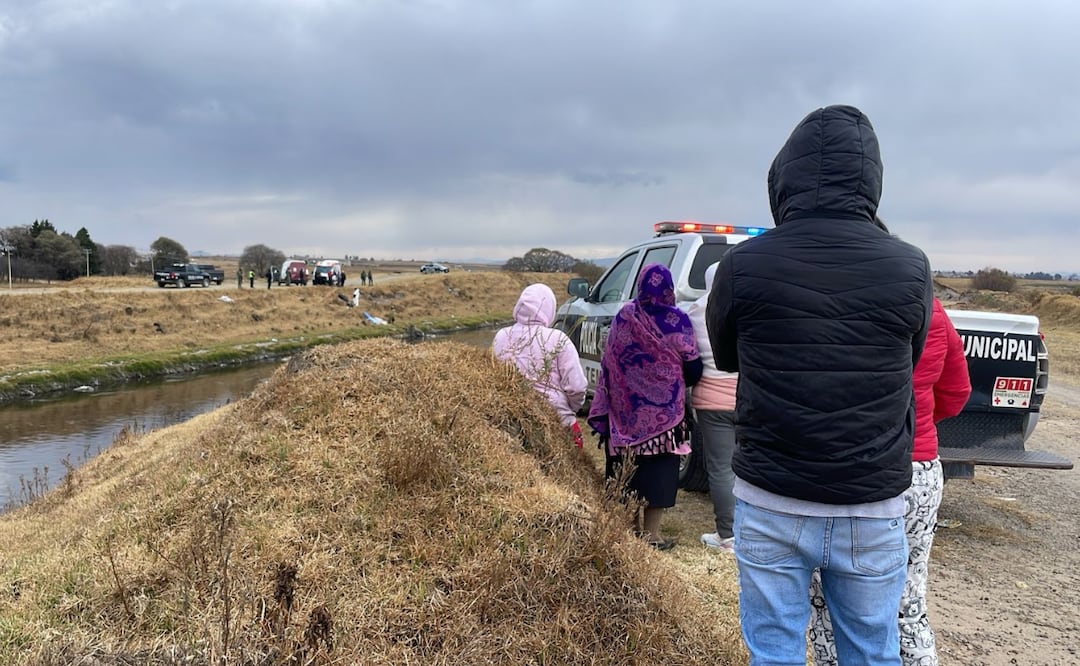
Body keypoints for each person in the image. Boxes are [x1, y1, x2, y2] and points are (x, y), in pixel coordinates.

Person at [705, 105, 934, 665]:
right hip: (871, 501)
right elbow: (909, 358)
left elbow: (729, 358)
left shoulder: (744, 265)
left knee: (776, 653)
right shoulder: (911, 266)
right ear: (872, 178)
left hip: (770, 494)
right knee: (871, 652)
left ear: (785, 176)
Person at [809, 218, 972, 666]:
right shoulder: (932, 309)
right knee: (908, 601)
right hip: (919, 471)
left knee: (829, 599)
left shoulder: (837, 306)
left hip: (858, 472)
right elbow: (957, 392)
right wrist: (914, 423)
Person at [589, 263, 702, 550]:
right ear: (669, 289)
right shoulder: (677, 320)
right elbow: (693, 367)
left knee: (627, 471)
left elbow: (610, 361)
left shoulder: (624, 316)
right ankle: (652, 535)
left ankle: (629, 530)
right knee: (659, 475)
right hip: (665, 421)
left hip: (624, 417)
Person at [492, 283, 588, 447]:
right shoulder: (558, 339)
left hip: (513, 424)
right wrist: (569, 409)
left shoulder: (501, 336)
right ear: (549, 309)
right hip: (558, 422)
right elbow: (576, 387)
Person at [686, 261, 739, 553]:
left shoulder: (694, 310)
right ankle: (753, 532)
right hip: (747, 398)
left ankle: (727, 536)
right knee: (749, 467)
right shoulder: (743, 306)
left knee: (721, 469)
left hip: (710, 401)